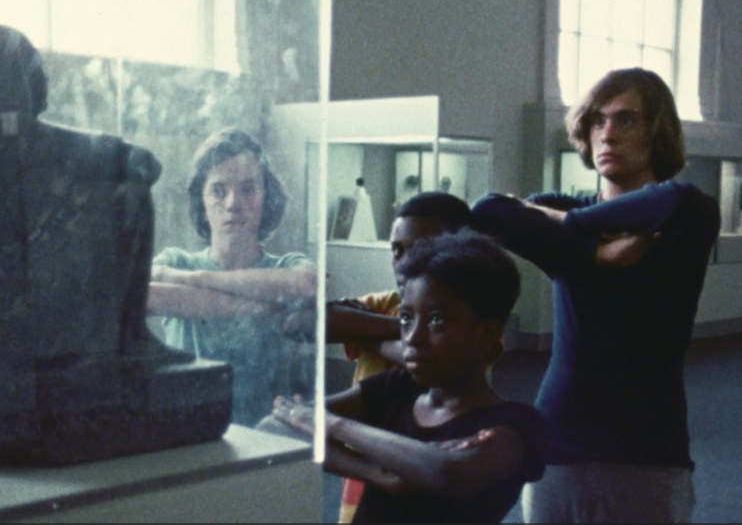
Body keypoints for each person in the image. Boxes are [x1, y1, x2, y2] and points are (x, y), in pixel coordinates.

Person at [471, 67, 721, 522]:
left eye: (626, 120)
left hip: (648, 450)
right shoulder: (568, 207)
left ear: (656, 130)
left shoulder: (686, 217)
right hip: (559, 443)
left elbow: (677, 199)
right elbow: (486, 211)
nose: (607, 134)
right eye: (596, 121)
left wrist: (568, 228)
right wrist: (596, 253)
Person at [270, 230, 545, 523]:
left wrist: (330, 422)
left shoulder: (515, 425)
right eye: (406, 318)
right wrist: (379, 474)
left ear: (488, 333)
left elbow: (445, 472)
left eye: (437, 320)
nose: (413, 337)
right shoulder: (396, 388)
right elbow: (275, 427)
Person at [147, 128, 317, 426]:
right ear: (201, 198)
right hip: (186, 437)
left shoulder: (288, 264)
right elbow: (141, 293)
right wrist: (259, 304)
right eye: (218, 189)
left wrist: (199, 279)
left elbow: (306, 284)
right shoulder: (176, 261)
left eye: (248, 188)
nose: (233, 203)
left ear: (267, 196)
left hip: (266, 443)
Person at [324, 191, 476, 523]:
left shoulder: (471, 320)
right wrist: (399, 326)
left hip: (429, 474)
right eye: (397, 250)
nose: (405, 264)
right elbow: (319, 321)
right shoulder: (387, 302)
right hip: (366, 475)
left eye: (420, 249)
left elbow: (418, 359)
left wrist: (368, 336)